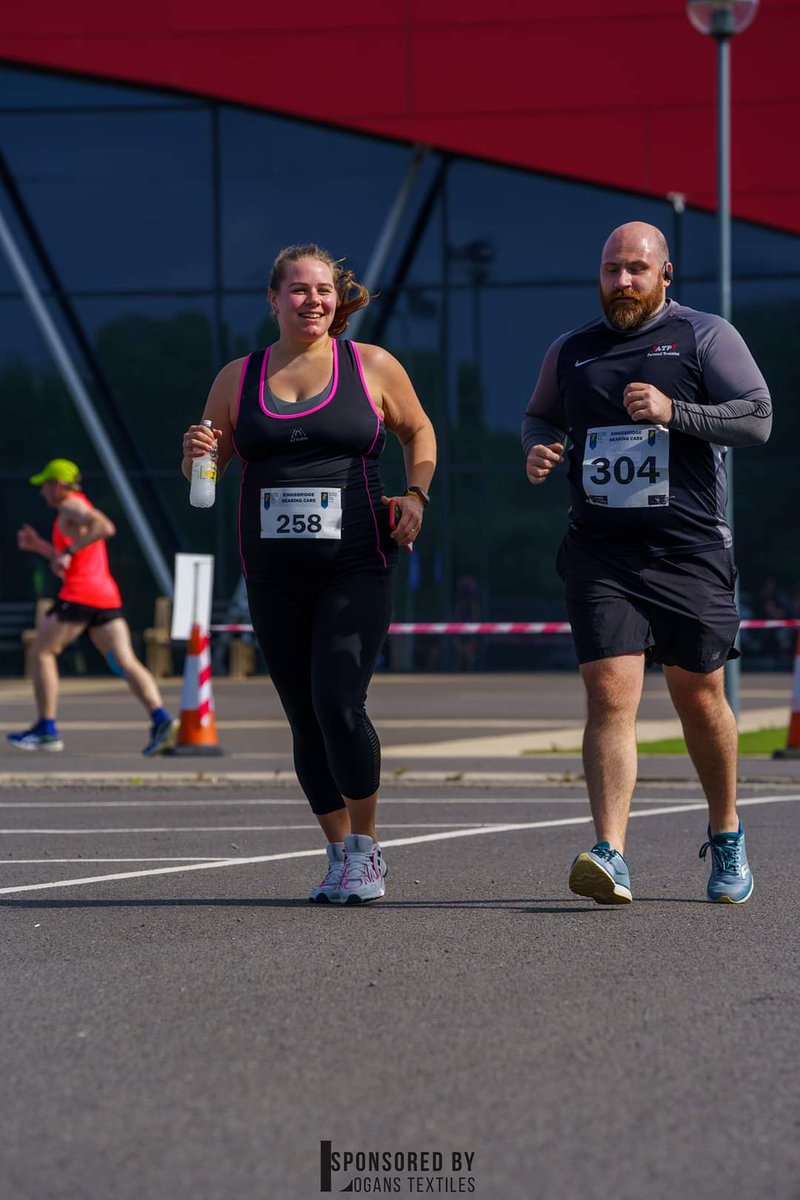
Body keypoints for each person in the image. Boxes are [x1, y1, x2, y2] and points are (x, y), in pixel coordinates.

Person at [522, 221, 772, 906]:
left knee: (699, 697)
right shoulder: (572, 350)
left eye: (636, 269)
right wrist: (539, 448)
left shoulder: (703, 335)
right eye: (611, 270)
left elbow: (757, 419)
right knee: (609, 695)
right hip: (601, 553)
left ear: (665, 274)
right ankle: (612, 852)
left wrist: (675, 411)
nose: (622, 282)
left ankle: (726, 832)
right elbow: (540, 416)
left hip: (688, 552)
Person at [182, 244, 436, 904]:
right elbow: (205, 476)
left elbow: (420, 431)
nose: (313, 300)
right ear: (273, 301)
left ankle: (367, 848)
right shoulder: (238, 377)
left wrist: (415, 495)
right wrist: (197, 455)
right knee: (303, 717)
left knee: (338, 704)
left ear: (336, 297)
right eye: (298, 290)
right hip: (272, 577)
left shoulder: (370, 366)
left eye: (323, 290)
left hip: (356, 564)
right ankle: (336, 851)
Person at [8, 459, 178, 756]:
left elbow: (105, 527)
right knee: (125, 660)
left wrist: (69, 551)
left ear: (59, 485)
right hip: (103, 595)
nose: (42, 492)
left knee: (42, 652)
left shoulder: (70, 505)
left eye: (46, 485)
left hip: (80, 594)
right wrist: (41, 547)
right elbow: (69, 557)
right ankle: (161, 718)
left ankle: (47, 728)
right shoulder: (72, 509)